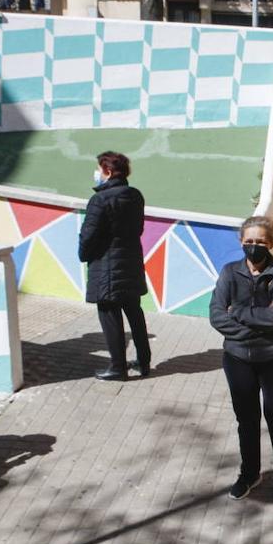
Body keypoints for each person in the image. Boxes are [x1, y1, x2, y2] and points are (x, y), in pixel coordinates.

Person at [208, 216, 273, 503]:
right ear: (240, 242)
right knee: (246, 420)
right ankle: (249, 473)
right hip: (238, 359)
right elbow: (215, 315)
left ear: (271, 243)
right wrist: (256, 326)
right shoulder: (229, 272)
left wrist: (237, 312)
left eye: (260, 242)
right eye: (248, 242)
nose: (254, 247)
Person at [78, 151, 151, 382]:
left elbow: (89, 236)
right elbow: (138, 230)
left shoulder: (100, 200)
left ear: (107, 171)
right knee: (134, 312)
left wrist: (84, 255)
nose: (98, 174)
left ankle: (117, 367)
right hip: (131, 262)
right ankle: (144, 361)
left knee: (109, 314)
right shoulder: (135, 195)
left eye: (100, 169)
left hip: (107, 266)